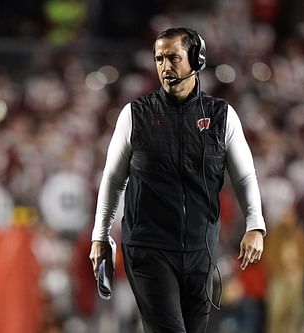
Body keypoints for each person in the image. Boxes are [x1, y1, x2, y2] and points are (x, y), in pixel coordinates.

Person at [89, 27, 266, 333]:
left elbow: (244, 174)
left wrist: (255, 224)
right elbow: (114, 177)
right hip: (149, 247)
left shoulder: (222, 116)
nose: (165, 66)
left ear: (196, 59)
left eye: (173, 57)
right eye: (159, 59)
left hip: (201, 250)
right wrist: (101, 234)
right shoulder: (135, 115)